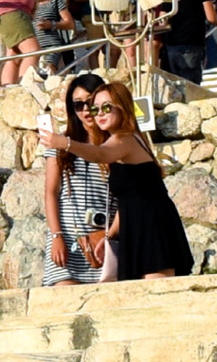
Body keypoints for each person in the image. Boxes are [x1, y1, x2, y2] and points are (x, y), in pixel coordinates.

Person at [44, 79, 193, 279]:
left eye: (106, 107)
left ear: (122, 107)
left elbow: (100, 155)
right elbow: (128, 199)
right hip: (134, 226)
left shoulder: (125, 138)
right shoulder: (117, 140)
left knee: (158, 292)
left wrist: (65, 143)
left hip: (151, 224)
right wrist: (110, 235)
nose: (99, 114)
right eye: (95, 109)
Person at [42, 73, 109, 285]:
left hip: (105, 242)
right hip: (68, 239)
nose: (85, 110)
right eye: (78, 105)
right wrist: (56, 236)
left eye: (90, 102)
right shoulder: (61, 143)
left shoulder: (115, 143)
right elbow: (51, 192)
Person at [35, 0, 94, 75]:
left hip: (51, 47)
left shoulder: (54, 1)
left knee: (49, 74)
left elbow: (70, 24)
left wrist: (51, 24)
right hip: (34, 48)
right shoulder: (27, 7)